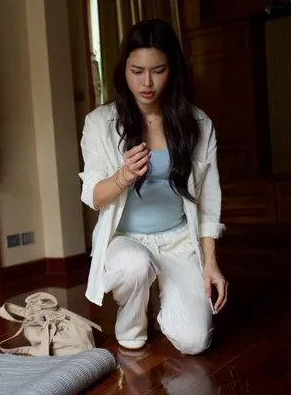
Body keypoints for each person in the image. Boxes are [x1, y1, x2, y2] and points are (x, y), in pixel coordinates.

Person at [79, 19, 228, 355]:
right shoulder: (100, 123)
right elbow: (93, 197)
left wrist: (210, 262)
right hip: (127, 240)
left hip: (178, 240)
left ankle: (165, 299)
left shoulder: (198, 124)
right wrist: (123, 176)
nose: (147, 83)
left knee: (194, 342)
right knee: (134, 265)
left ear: (172, 70)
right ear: (124, 70)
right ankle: (132, 320)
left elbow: (208, 201)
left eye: (158, 71)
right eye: (137, 71)